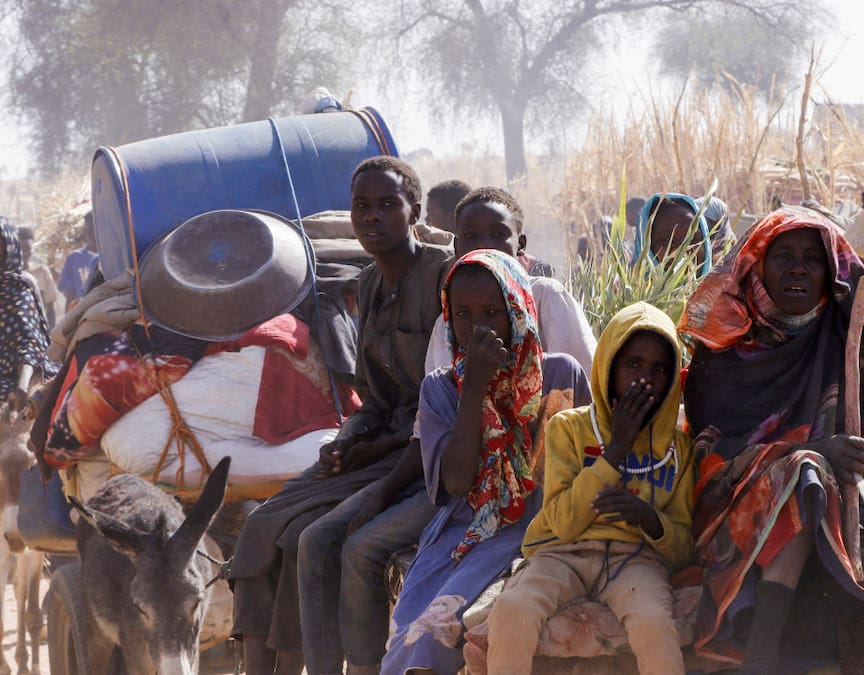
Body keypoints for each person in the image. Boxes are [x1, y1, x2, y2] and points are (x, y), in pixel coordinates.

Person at [679, 206, 864, 673]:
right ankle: (761, 658)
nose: (798, 268)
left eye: (813, 259)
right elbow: (710, 452)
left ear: (829, 272)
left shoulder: (848, 340)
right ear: (756, 266)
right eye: (784, 256)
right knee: (804, 472)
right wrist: (808, 452)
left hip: (842, 504)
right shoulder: (725, 354)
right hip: (735, 503)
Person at [229, 157, 453, 675]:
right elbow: (374, 398)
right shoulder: (369, 283)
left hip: (423, 454)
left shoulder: (442, 277)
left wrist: (372, 447)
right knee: (263, 524)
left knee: (315, 537)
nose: (371, 217)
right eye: (361, 207)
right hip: (378, 448)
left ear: (414, 212)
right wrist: (346, 437)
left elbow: (444, 402)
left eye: (386, 205)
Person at [381, 250, 591, 674]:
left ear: (518, 311)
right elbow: (457, 484)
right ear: (449, 322)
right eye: (463, 315)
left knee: (447, 628)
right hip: (465, 531)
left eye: (493, 312)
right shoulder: (441, 391)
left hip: (540, 525)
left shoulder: (559, 377)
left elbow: (588, 463)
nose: (477, 327)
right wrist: (474, 387)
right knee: (414, 637)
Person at [486, 301, 695, 675]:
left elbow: (682, 550)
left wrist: (649, 518)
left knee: (653, 623)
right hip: (561, 554)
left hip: (636, 560)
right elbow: (562, 523)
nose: (644, 379)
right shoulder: (568, 428)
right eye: (633, 364)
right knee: (514, 608)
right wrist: (615, 451)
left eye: (659, 369)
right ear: (609, 365)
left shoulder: (677, 449)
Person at [424, 186, 595, 375]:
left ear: (521, 244)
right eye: (471, 236)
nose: (484, 245)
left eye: (498, 234)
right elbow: (441, 392)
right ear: (457, 247)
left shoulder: (545, 296)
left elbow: (583, 377)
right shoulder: (450, 320)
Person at [1, 217, 56, 421]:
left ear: (8, 247)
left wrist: (22, 387)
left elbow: (29, 341)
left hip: (18, 373)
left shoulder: (20, 288)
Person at [633, 193, 713, 275]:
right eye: (668, 240)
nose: (682, 250)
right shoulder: (626, 287)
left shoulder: (722, 285)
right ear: (646, 247)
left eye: (692, 239)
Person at [16, 226, 60, 328]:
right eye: (21, 249)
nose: (24, 254)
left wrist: (51, 333)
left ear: (33, 249)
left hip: (38, 328)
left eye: (28, 249)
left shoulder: (41, 271)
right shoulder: (10, 276)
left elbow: (50, 307)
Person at [57, 211, 98, 307]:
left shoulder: (112, 257)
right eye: (90, 230)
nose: (93, 234)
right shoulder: (74, 258)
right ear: (84, 232)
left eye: (96, 229)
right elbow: (70, 295)